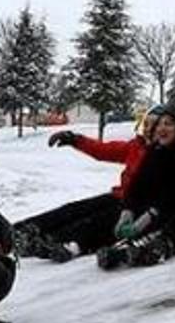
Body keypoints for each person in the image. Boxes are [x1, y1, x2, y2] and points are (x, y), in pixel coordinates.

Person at [13, 111, 157, 263]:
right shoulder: (137, 146)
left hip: (141, 206)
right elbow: (103, 150)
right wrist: (75, 140)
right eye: (146, 125)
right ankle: (23, 231)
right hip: (121, 196)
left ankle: (59, 241)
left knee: (98, 220)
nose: (148, 130)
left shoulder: (166, 154)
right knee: (74, 209)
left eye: (154, 125)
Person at [97, 106, 175, 270]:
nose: (162, 128)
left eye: (168, 124)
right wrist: (128, 210)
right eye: (159, 124)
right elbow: (139, 183)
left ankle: (159, 245)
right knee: (142, 214)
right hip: (167, 205)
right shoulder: (156, 150)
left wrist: (152, 213)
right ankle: (128, 245)